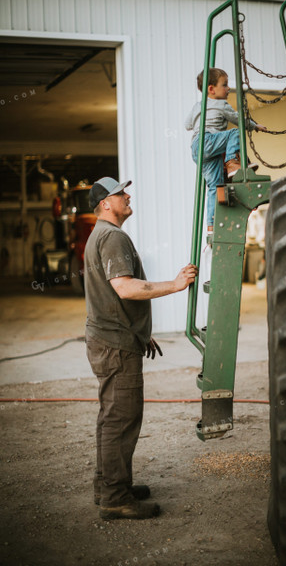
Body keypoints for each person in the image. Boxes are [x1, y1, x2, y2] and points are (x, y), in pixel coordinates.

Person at [84, 176, 198, 521]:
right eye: (120, 193)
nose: (127, 196)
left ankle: (109, 486)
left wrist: (139, 330)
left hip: (113, 337)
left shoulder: (100, 236)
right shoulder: (113, 236)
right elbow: (125, 288)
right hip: (114, 345)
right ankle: (115, 498)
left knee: (112, 417)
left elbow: (110, 294)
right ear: (106, 203)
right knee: (121, 419)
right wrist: (176, 285)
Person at [185, 67, 268, 232]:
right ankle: (232, 162)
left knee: (215, 186)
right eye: (224, 85)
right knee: (235, 133)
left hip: (197, 148)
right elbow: (238, 120)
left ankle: (211, 224)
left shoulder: (197, 106)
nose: (228, 88)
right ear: (211, 89)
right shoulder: (221, 104)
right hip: (207, 140)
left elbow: (187, 125)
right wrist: (255, 126)